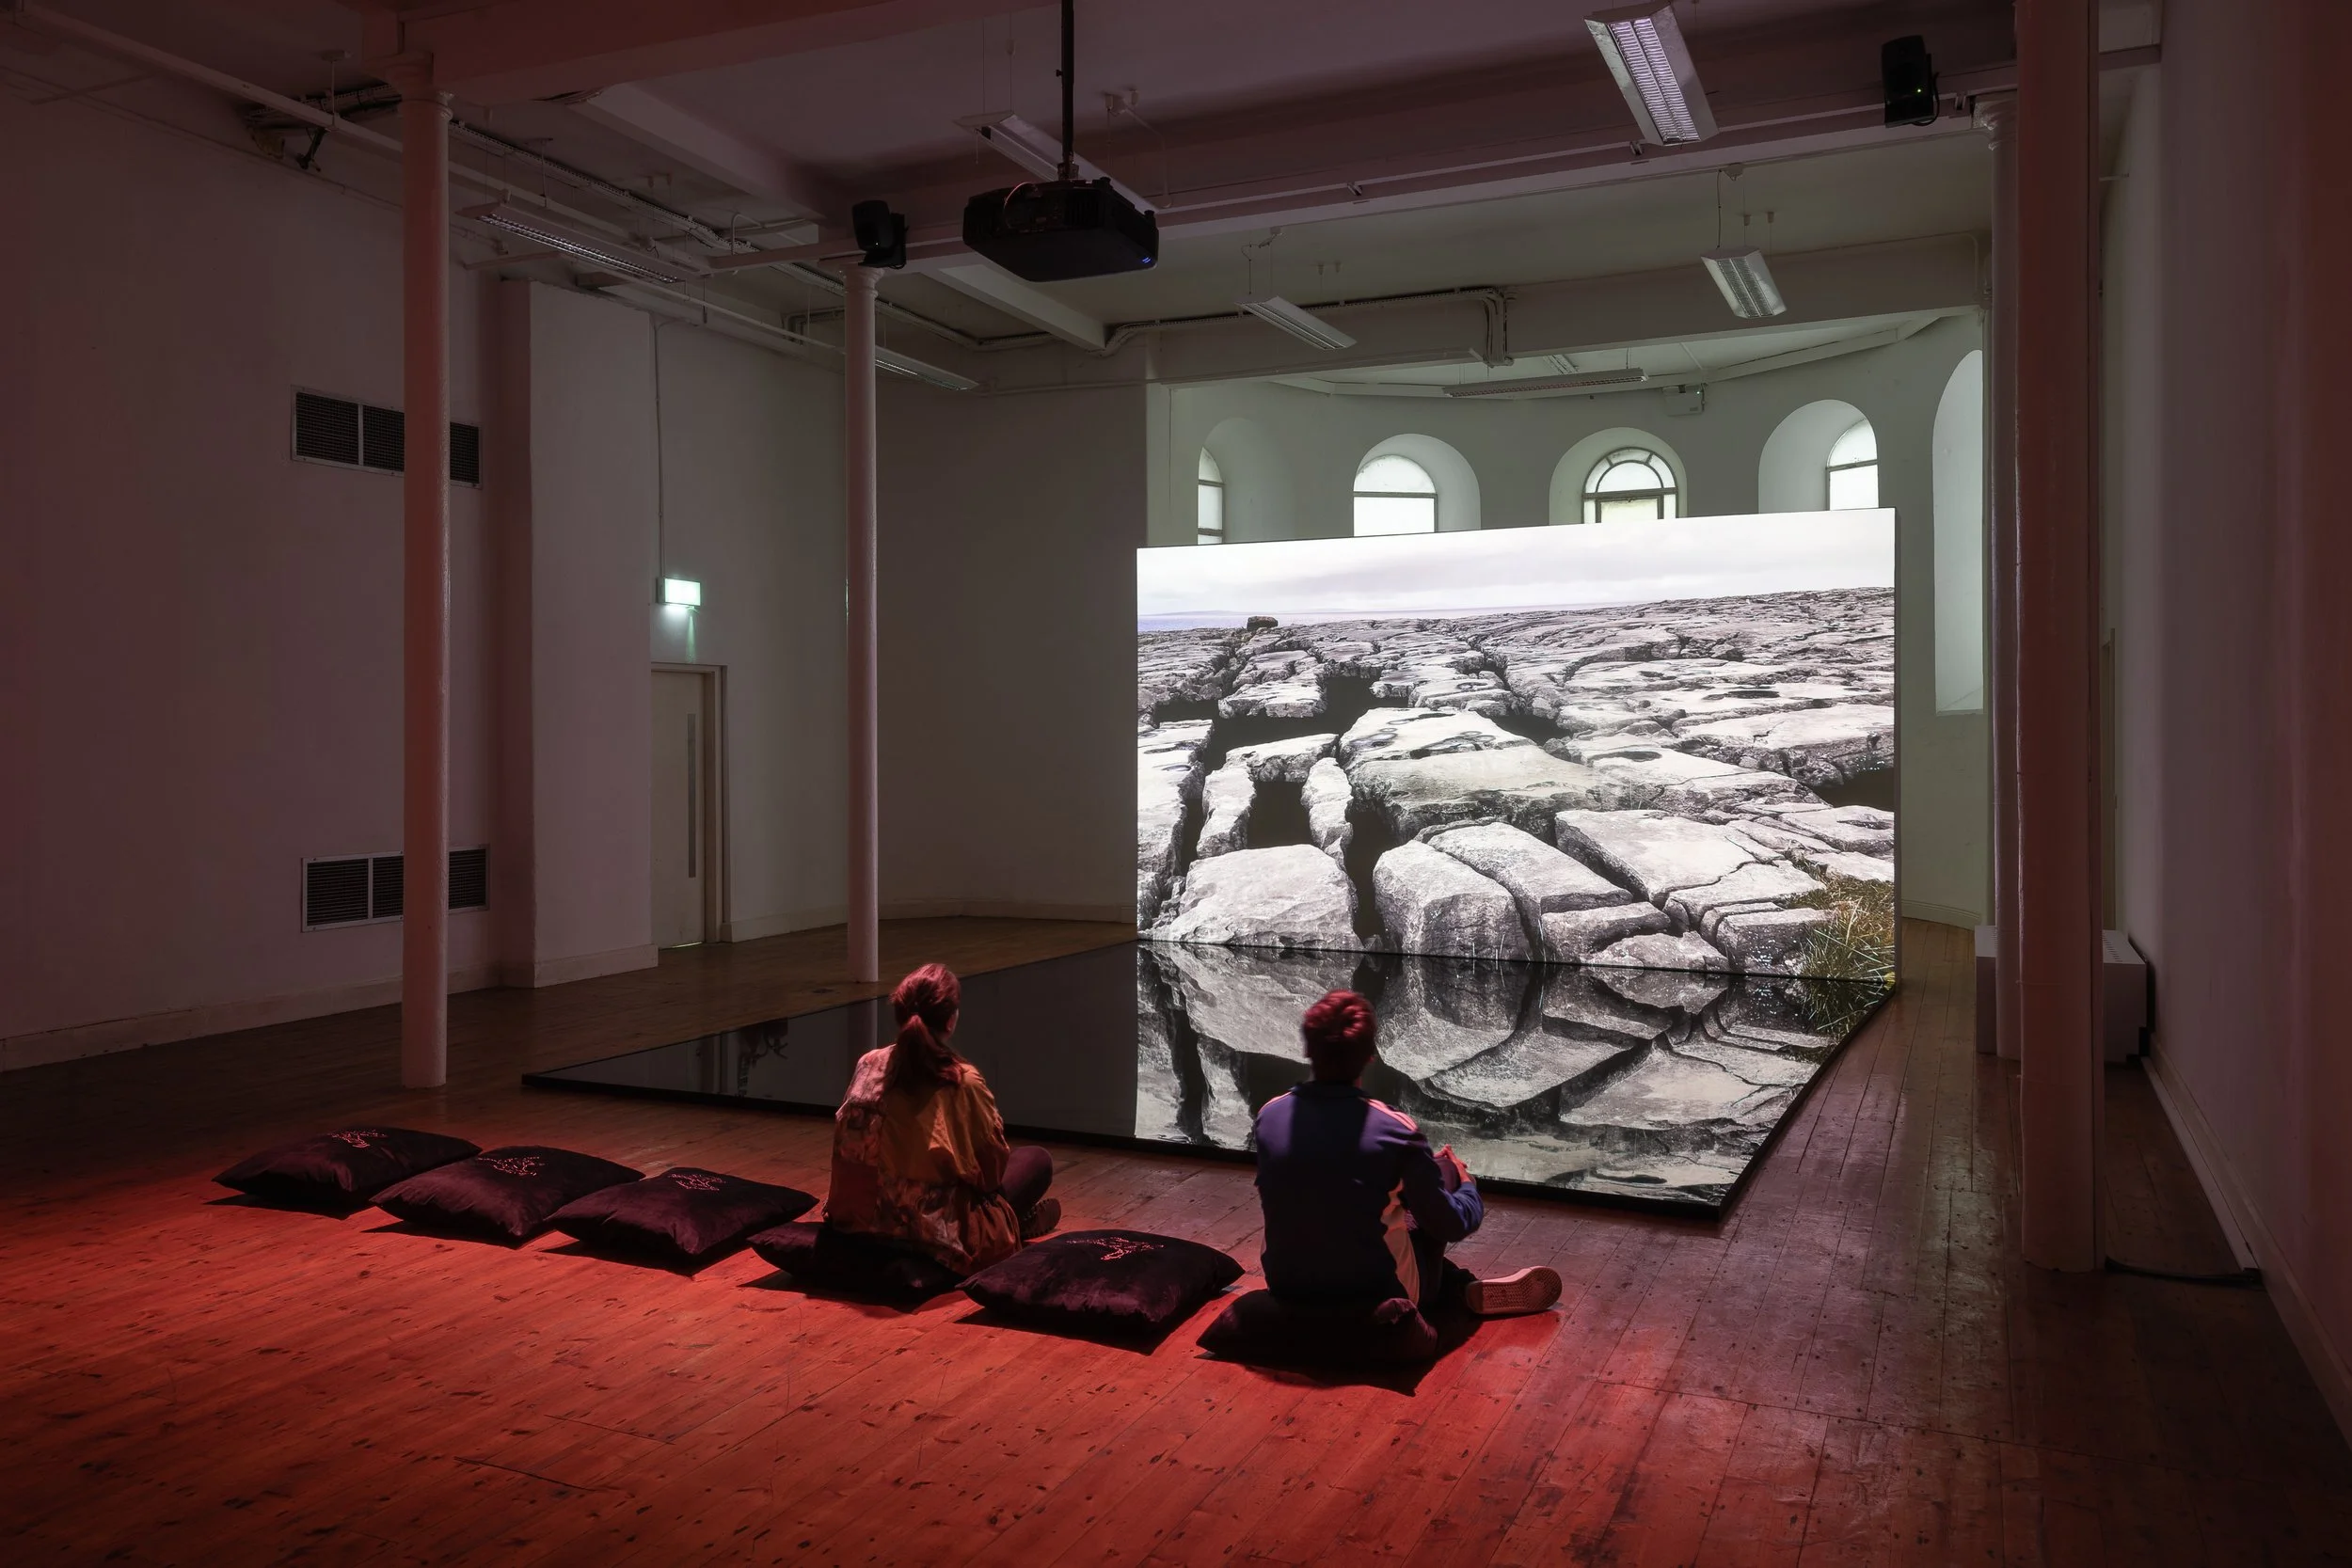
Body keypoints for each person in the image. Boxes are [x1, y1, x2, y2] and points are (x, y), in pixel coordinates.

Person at [1252, 990, 1561, 1319]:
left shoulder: (1270, 1115)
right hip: (1377, 1293)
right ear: (1370, 1054)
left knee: (1377, 1196)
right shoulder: (1395, 1130)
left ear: (1308, 1049)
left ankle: (1457, 1284)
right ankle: (1457, 1287)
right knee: (1444, 1175)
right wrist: (1467, 1185)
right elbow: (1453, 1225)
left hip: (1286, 1283)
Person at [822, 963, 1058, 1274]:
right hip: (928, 1230)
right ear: (950, 1020)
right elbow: (990, 1177)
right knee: (1035, 1161)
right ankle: (1017, 1221)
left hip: (854, 1218)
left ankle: (1017, 1219)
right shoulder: (962, 1082)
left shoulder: (869, 1064)